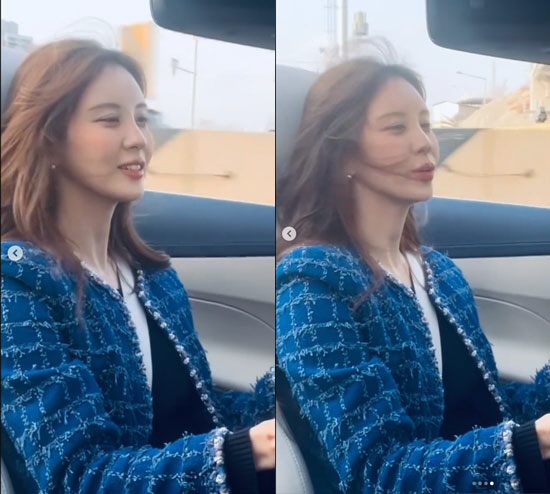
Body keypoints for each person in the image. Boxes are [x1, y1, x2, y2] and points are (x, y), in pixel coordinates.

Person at [1, 38, 275, 494]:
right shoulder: (16, 286)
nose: (138, 139)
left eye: (142, 119)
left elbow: (202, 419)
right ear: (48, 138)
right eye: (110, 119)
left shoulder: (153, 277)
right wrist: (248, 451)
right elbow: (78, 475)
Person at [275, 56, 550, 493]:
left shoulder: (440, 273)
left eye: (425, 124)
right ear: (341, 151)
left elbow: (487, 409)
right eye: (396, 127)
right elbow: (377, 471)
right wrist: (532, 443)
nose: (425, 144)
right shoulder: (310, 287)